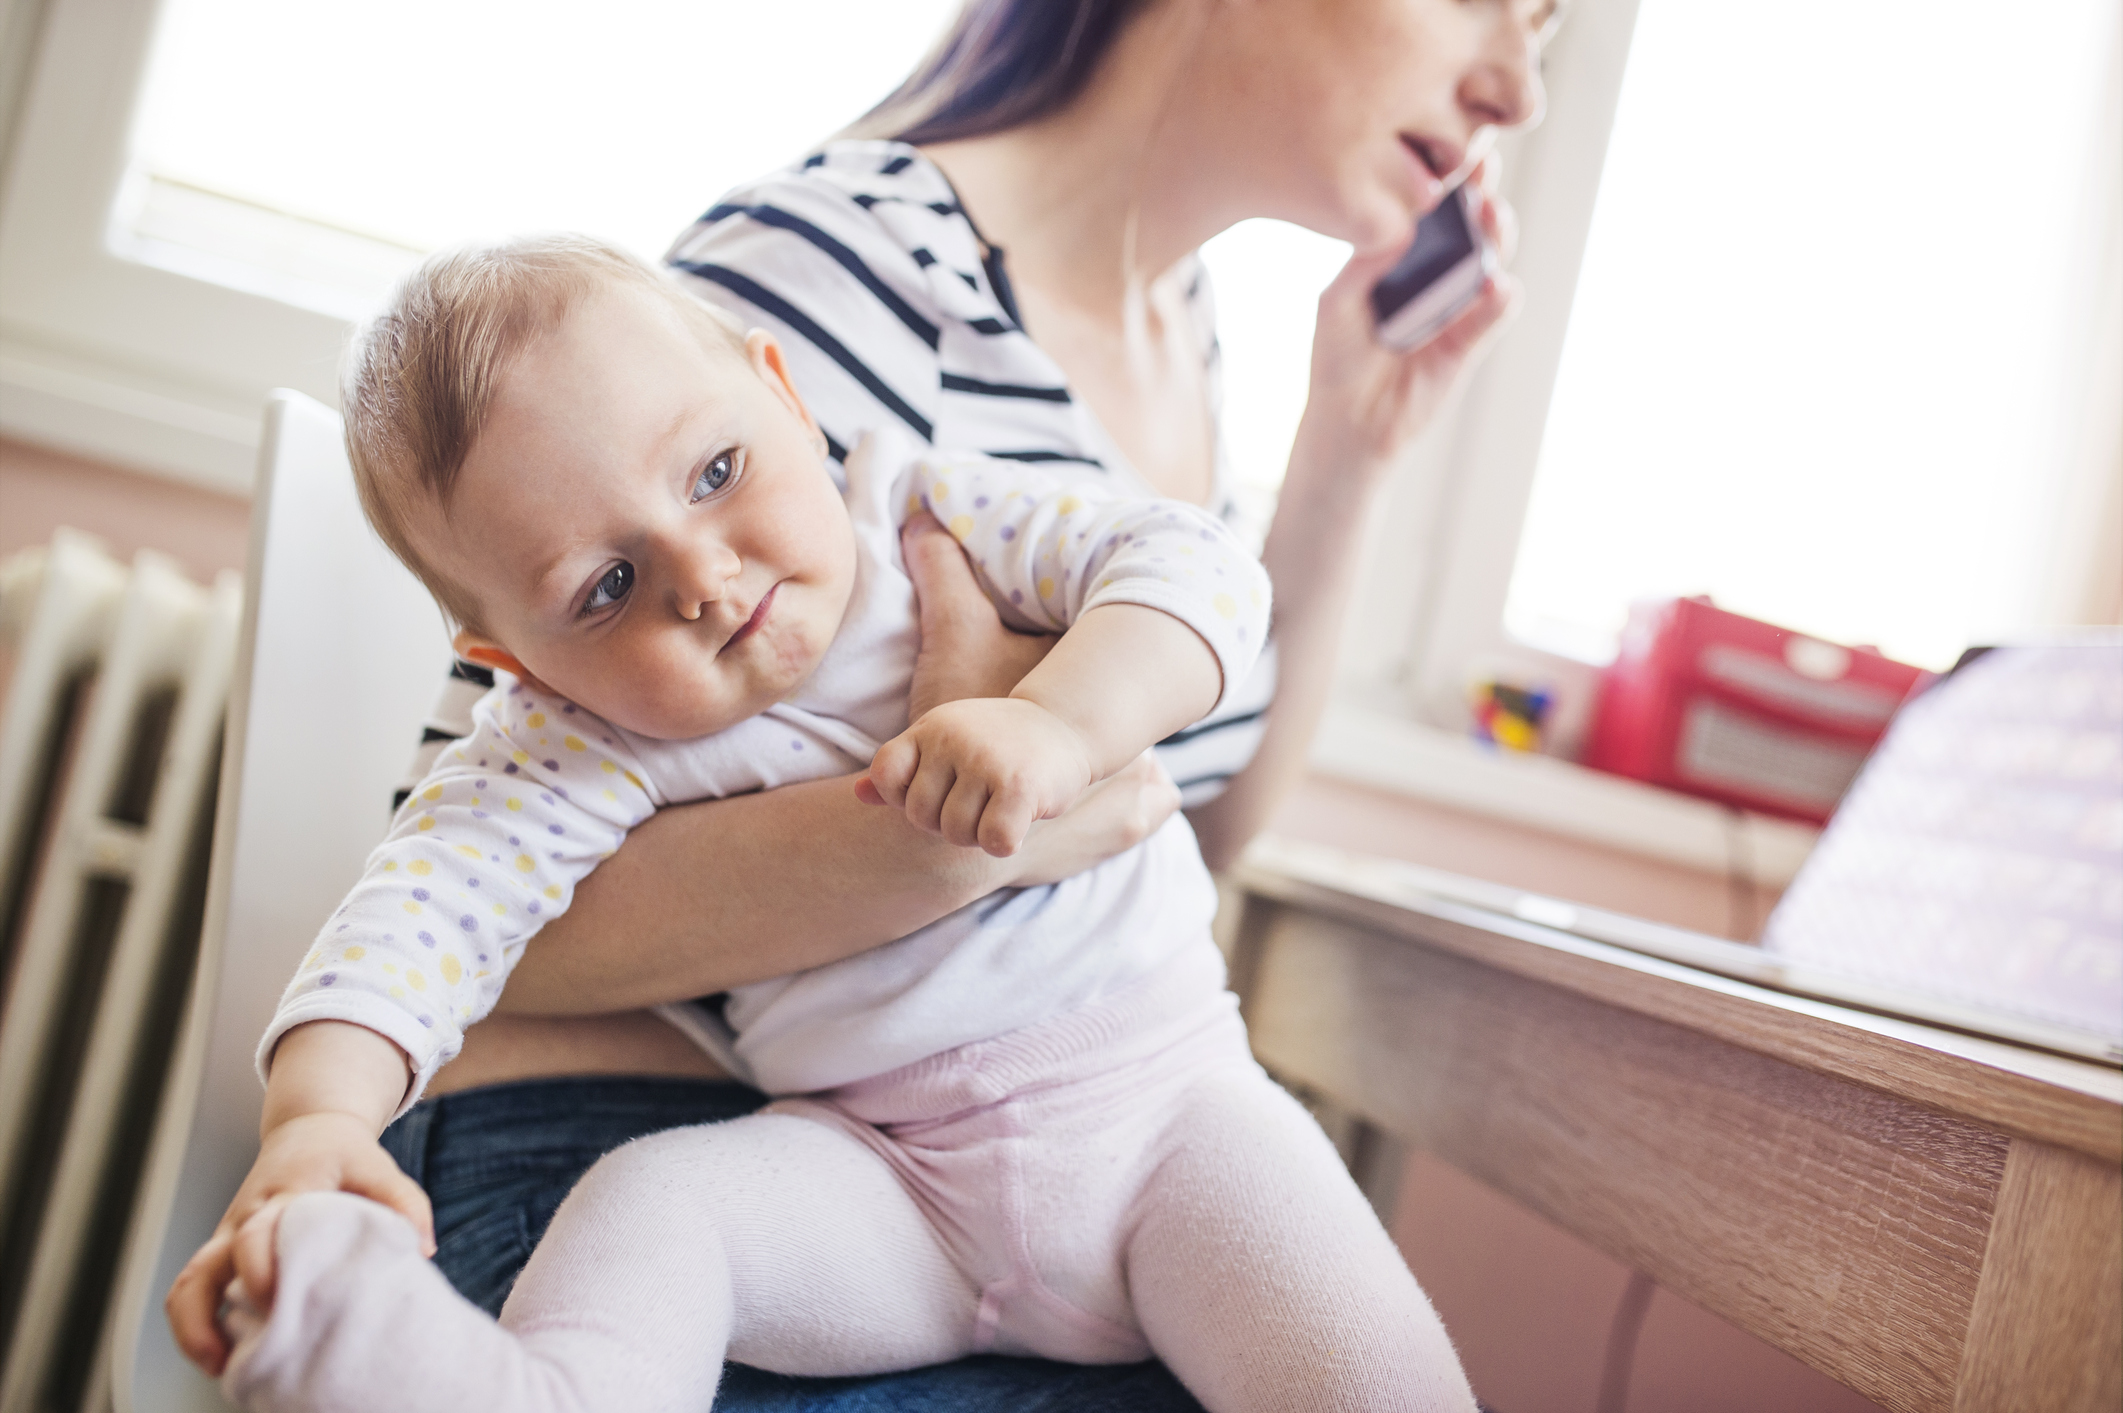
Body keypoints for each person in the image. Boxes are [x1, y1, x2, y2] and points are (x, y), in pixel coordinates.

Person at [167, 0, 1548, 1404]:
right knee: (659, 1213)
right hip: (861, 1165)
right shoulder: (825, 288)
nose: (702, 579)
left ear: (781, 404)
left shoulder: (998, 442)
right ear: (520, 655)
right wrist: (315, 1119)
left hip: (1161, 1115)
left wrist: (1331, 470)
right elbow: (445, 910)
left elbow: (1191, 739)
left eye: (715, 480)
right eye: (606, 586)